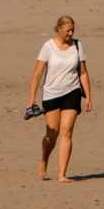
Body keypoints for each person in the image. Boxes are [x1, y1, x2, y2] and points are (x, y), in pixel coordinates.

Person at [25, 16, 93, 182]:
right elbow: (37, 74)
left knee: (67, 131)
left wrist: (88, 97)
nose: (70, 33)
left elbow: (83, 72)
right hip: (51, 94)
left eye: (72, 30)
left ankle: (62, 174)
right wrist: (32, 98)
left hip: (72, 91)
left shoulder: (78, 46)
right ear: (59, 29)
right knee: (52, 135)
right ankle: (44, 160)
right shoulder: (48, 47)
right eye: (67, 30)